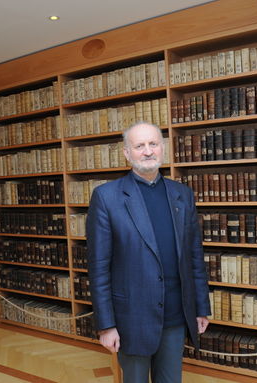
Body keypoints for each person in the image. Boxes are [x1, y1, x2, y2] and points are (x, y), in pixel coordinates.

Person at [86, 122, 211, 383]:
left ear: (162, 149)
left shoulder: (182, 195)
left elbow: (194, 256)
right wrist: (106, 325)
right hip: (131, 318)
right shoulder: (107, 197)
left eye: (153, 144)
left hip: (176, 313)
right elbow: (98, 268)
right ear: (127, 153)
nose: (147, 151)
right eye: (139, 145)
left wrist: (200, 307)